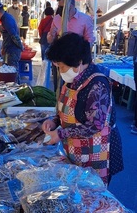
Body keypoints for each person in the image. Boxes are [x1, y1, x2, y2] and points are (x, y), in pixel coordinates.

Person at [42, 33, 123, 185]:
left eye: (62, 66)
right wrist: (54, 122)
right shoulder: (72, 81)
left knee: (92, 194)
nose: (61, 71)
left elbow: (95, 125)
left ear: (78, 62)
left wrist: (60, 133)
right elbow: (67, 112)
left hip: (98, 153)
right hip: (75, 150)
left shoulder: (97, 85)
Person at [47, 0, 95, 91]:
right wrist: (51, 35)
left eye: (62, 7)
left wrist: (79, 57)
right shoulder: (56, 19)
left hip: (75, 63)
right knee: (60, 88)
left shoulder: (85, 19)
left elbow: (89, 41)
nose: (60, 10)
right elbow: (51, 39)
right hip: (60, 62)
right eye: (59, 7)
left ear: (71, 6)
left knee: (76, 89)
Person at [0, 0, 23, 83]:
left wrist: (20, 47)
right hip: (10, 48)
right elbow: (7, 36)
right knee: (12, 71)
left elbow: (14, 36)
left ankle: (17, 90)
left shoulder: (6, 20)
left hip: (13, 50)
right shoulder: (6, 17)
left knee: (13, 72)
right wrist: (4, 47)